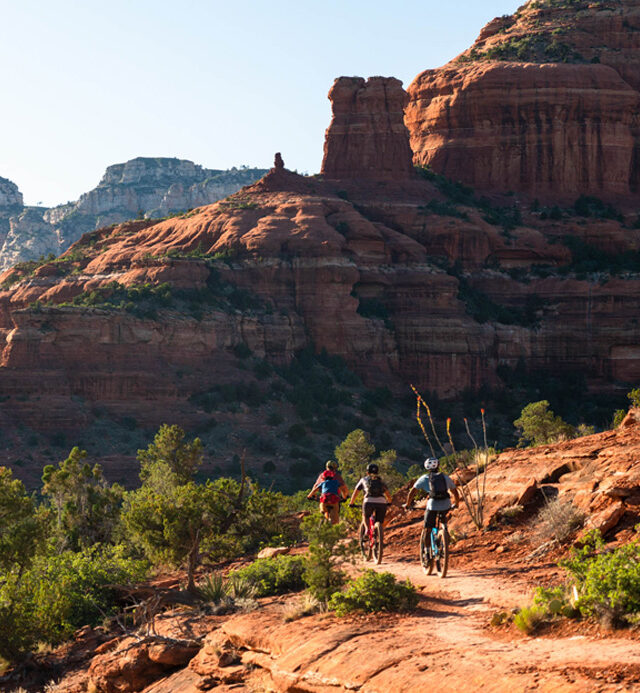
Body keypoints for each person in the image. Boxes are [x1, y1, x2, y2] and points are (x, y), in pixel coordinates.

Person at [404, 458, 460, 532]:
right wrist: (456, 503)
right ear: (438, 466)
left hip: (432, 505)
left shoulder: (424, 478)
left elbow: (412, 492)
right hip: (446, 504)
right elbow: (455, 492)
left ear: (426, 467)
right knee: (443, 517)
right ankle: (445, 531)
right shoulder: (445, 477)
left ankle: (428, 543)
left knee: (428, 529)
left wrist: (407, 504)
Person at [349, 463, 393, 527]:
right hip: (382, 502)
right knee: (379, 521)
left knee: (365, 516)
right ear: (377, 472)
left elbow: (356, 492)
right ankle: (378, 529)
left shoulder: (363, 480)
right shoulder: (380, 481)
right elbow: (388, 494)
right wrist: (389, 502)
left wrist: (351, 503)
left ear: (367, 472)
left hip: (368, 501)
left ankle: (367, 530)